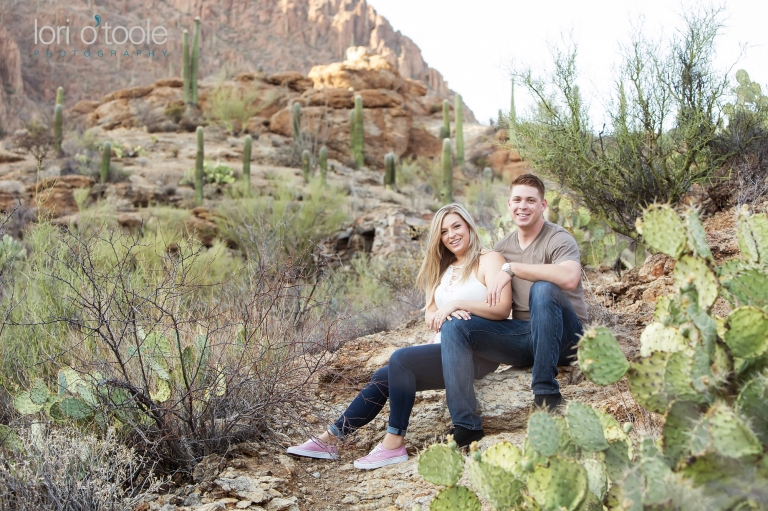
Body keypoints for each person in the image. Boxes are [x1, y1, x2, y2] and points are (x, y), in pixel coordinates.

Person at [286, 204, 511, 469]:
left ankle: (394, 442)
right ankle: (331, 438)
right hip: (445, 348)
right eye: (443, 231)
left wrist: (457, 305)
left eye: (456, 226)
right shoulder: (443, 267)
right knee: (385, 375)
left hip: (478, 352)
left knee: (400, 360)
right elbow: (430, 314)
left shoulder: (490, 259)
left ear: (469, 226)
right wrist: (444, 312)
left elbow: (501, 309)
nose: (451, 235)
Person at [439, 174, 588, 442]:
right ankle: (466, 425)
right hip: (527, 338)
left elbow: (569, 277)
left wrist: (514, 269)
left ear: (543, 205)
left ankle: (545, 394)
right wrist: (456, 305)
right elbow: (493, 304)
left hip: (567, 338)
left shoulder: (558, 238)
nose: (523, 206)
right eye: (517, 200)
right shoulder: (502, 248)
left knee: (543, 288)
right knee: (455, 325)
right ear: (509, 204)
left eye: (531, 200)